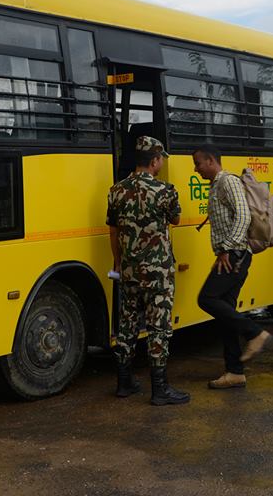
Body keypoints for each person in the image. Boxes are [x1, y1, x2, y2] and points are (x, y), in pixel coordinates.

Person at [106, 136, 189, 406]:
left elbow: (113, 230)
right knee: (158, 327)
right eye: (161, 158)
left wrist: (118, 261)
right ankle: (160, 388)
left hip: (129, 270)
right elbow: (175, 219)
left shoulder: (116, 190)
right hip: (158, 271)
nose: (162, 163)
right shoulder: (166, 190)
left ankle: (123, 382)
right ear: (154, 160)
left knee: (127, 325)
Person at [192, 145, 272, 390]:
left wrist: (227, 248)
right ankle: (235, 372)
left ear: (211, 160)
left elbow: (244, 216)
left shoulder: (228, 182)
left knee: (206, 298)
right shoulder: (215, 185)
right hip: (230, 253)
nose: (196, 169)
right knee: (224, 311)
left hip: (235, 254)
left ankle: (255, 332)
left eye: (198, 163)